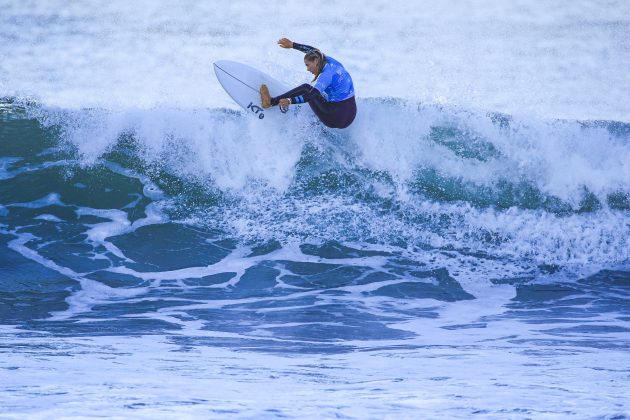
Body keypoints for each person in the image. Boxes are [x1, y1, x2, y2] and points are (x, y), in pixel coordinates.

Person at [260, 38, 357, 129]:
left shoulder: (326, 75)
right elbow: (314, 51)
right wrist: (292, 45)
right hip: (350, 116)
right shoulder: (330, 61)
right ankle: (318, 124)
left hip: (334, 119)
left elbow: (311, 95)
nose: (307, 69)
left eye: (307, 65)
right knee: (325, 94)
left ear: (315, 61)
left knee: (306, 88)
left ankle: (271, 102)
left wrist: (290, 100)